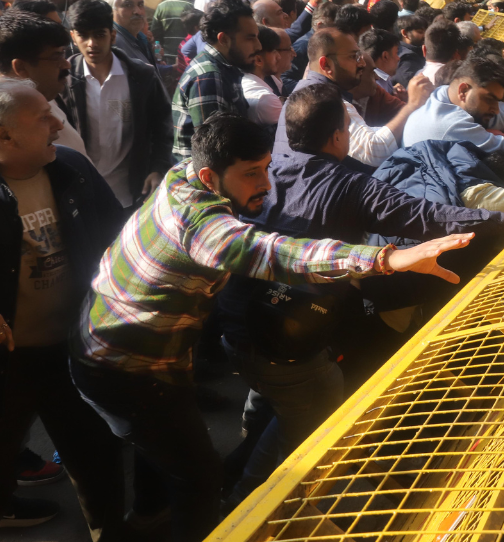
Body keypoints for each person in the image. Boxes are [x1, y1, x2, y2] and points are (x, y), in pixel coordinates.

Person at [70, 112, 473, 542]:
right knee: (200, 478)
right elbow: (275, 253)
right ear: (209, 176)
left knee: (162, 447)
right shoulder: (203, 226)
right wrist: (385, 259)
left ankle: (150, 514)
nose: (267, 183)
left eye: (266, 167)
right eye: (251, 173)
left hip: (113, 347)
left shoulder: (182, 177)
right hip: (127, 367)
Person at [216, 86, 504, 503]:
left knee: (269, 394)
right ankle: (243, 499)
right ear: (337, 137)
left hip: (236, 321)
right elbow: (428, 215)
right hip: (288, 337)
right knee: (305, 415)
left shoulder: (266, 168)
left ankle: (235, 462)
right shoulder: (348, 186)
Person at [0, 78, 130, 539]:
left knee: (98, 463)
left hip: (75, 354)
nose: (58, 123)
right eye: (43, 117)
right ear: (2, 134)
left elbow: (120, 241)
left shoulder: (72, 169)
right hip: (2, 368)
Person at [64, 0, 173, 209]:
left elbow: (162, 128)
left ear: (112, 35)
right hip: (81, 196)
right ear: (73, 37)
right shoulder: (63, 80)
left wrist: (158, 168)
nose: (91, 43)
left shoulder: (142, 76)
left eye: (99, 35)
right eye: (83, 36)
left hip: (131, 194)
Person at [273, 28, 425, 168]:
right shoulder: (321, 100)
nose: (362, 63)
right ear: (326, 65)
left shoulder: (311, 91)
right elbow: (375, 151)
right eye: (354, 57)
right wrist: (412, 105)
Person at [0, 11, 87, 156]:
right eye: (56, 57)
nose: (66, 65)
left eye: (63, 53)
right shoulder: (6, 122)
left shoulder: (41, 96)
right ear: (21, 67)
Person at [171, 0, 260, 160]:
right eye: (250, 38)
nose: (258, 46)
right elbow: (214, 153)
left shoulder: (226, 67)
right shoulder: (208, 77)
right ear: (223, 39)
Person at [101, 0, 158, 68]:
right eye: (128, 5)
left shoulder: (140, 38)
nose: (138, 11)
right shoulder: (114, 44)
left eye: (140, 4)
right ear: (110, 10)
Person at [240, 26, 285, 130]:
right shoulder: (265, 98)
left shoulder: (243, 82)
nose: (279, 57)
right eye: (273, 52)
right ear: (258, 60)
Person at [151, 0, 195, 67]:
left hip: (166, 58)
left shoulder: (161, 6)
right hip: (185, 57)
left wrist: (158, 57)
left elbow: (155, 34)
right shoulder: (190, 6)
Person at [392, 14, 428, 88]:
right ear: (404, 33)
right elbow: (412, 86)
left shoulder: (399, 49)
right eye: (420, 32)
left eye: (426, 32)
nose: (425, 35)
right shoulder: (408, 57)